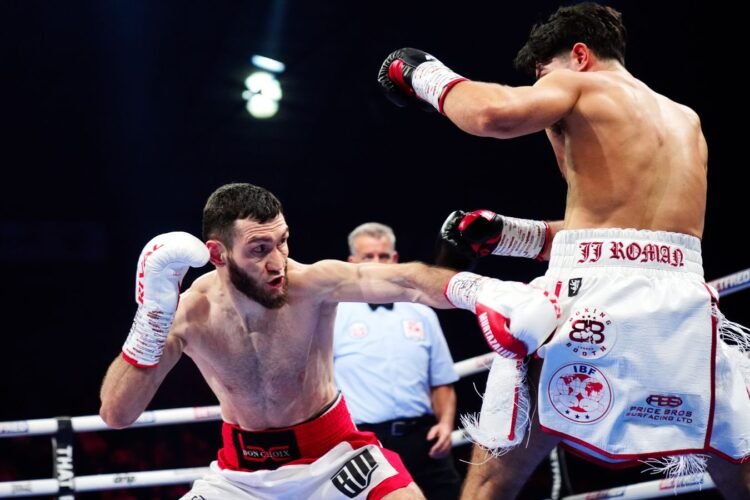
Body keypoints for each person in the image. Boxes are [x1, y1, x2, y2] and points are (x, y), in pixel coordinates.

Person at [377, 2, 750, 499]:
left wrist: (423, 75)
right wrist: (510, 235)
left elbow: (491, 115)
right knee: (737, 462)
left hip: (597, 305)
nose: (543, 94)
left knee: (494, 475)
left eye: (543, 76)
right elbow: (627, 237)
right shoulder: (686, 119)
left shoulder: (581, 84)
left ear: (579, 55)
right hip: (683, 305)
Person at [99, 182, 465, 499]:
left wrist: (478, 287)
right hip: (240, 476)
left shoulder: (312, 284)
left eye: (283, 241)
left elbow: (410, 283)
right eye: (259, 249)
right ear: (217, 254)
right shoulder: (190, 313)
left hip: (334, 456)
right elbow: (117, 414)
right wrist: (151, 320)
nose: (278, 262)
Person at [334, 222, 462, 499]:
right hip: (365, 444)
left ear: (395, 259)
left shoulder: (422, 313)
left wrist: (445, 424)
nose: (377, 264)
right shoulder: (334, 316)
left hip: (423, 438)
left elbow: (441, 380)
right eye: (368, 257)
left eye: (383, 256)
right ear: (352, 263)